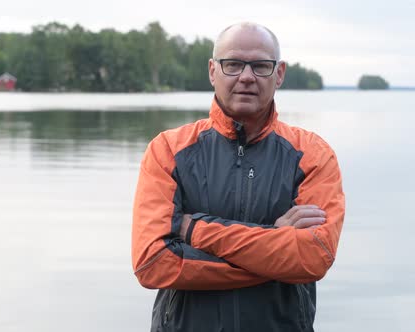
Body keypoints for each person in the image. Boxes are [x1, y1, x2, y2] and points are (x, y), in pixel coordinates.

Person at [131, 22, 345, 332]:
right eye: (233, 64)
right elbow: (152, 263)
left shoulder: (312, 154)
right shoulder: (168, 150)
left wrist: (193, 230)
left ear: (279, 73)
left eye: (260, 66)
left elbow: (313, 257)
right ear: (212, 71)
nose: (246, 76)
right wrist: (274, 243)